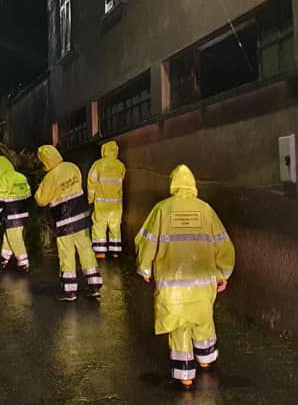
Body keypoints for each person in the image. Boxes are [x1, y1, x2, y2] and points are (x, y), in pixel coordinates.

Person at [134, 165, 235, 388]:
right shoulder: (206, 210)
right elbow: (223, 245)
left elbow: (146, 241)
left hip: (173, 286)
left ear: (173, 184)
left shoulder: (162, 209)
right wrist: (223, 273)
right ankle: (207, 360)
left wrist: (145, 269)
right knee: (203, 320)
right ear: (193, 184)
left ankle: (185, 374)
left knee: (179, 326)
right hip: (203, 283)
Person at [34, 145, 102, 301]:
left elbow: (41, 200)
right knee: (86, 250)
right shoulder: (72, 167)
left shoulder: (50, 177)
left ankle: (69, 290)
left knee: (67, 254)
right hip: (81, 216)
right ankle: (94, 286)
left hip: (64, 220)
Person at [87, 140, 126, 259]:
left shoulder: (98, 165)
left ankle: (100, 252)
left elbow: (91, 183)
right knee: (115, 226)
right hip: (115, 203)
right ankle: (115, 251)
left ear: (104, 150)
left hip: (101, 202)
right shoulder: (120, 165)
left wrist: (90, 198)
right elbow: (121, 181)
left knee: (99, 225)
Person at [0, 155, 31, 272]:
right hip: (23, 213)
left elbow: (1, 198)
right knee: (10, 236)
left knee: (14, 239)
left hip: (10, 214)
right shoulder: (21, 176)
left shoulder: (4, 178)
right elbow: (28, 194)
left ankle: (23, 263)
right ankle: (4, 259)